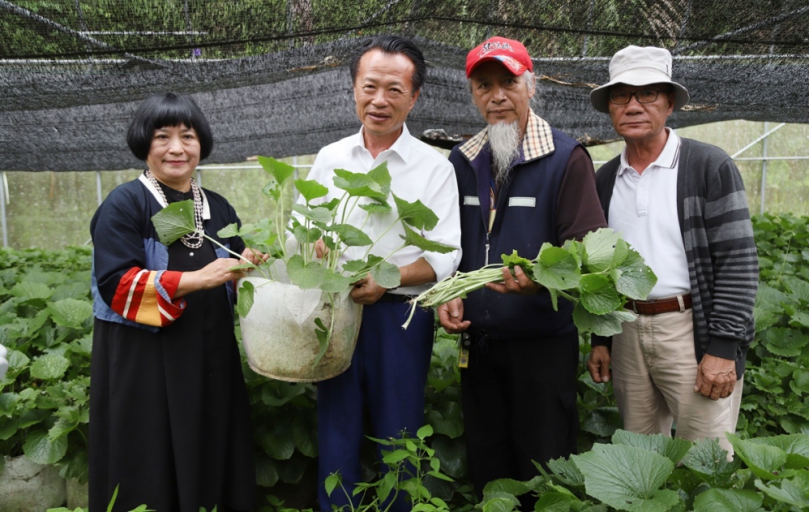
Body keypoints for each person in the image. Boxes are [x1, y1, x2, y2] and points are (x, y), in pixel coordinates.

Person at [437, 37, 607, 497]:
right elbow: (449, 244)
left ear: (530, 85)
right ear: (472, 94)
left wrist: (540, 282)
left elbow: (584, 254)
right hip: (479, 345)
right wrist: (450, 292)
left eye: (509, 82)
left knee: (542, 466)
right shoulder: (461, 160)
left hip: (541, 349)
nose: (497, 96)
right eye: (483, 85)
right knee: (488, 465)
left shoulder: (565, 159)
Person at [306, 35, 461, 512]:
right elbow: (300, 231)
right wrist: (313, 248)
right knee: (336, 426)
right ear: (354, 88)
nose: (379, 100)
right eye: (370, 86)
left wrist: (386, 280)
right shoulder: (330, 158)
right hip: (335, 313)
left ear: (414, 98)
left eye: (394, 90)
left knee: (400, 432)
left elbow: (447, 256)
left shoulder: (434, 169)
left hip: (401, 319)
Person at [89, 92, 260, 512]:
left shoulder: (217, 207)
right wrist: (198, 278)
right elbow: (116, 284)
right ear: (144, 144)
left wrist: (248, 269)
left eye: (188, 135)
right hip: (144, 358)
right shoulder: (126, 204)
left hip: (210, 353)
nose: (177, 148)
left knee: (209, 443)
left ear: (202, 142)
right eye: (162, 137)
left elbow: (233, 277)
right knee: (149, 457)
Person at [586, 46, 758, 455]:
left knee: (706, 456)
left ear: (669, 103)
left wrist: (722, 348)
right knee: (643, 456)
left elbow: (739, 262)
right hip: (627, 329)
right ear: (610, 107)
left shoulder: (707, 166)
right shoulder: (606, 178)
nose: (633, 106)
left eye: (647, 94)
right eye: (621, 95)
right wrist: (601, 338)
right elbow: (599, 266)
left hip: (689, 328)